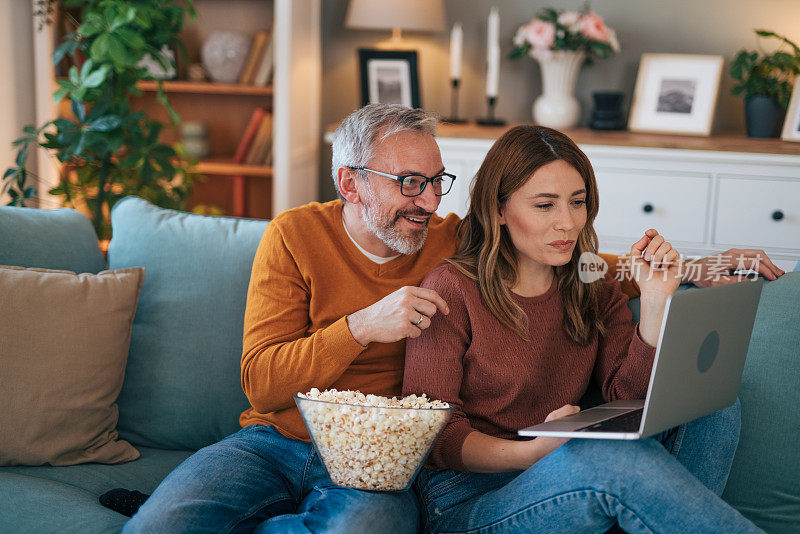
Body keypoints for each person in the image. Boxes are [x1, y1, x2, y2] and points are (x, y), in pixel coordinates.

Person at [124, 105, 782, 533]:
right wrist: (362, 327)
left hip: (385, 463)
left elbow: (566, 252)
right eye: (410, 182)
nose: (429, 201)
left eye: (438, 181)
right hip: (279, 439)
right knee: (159, 526)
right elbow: (262, 383)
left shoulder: (449, 238)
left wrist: (703, 269)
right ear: (350, 182)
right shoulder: (298, 237)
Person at [402, 125, 765, 533]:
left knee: (715, 405)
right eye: (545, 205)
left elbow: (628, 399)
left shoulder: (591, 282)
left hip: (564, 470)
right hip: (467, 496)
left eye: (577, 202)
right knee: (608, 460)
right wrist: (533, 454)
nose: (568, 224)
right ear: (499, 210)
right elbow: (432, 437)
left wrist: (657, 301)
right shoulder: (449, 288)